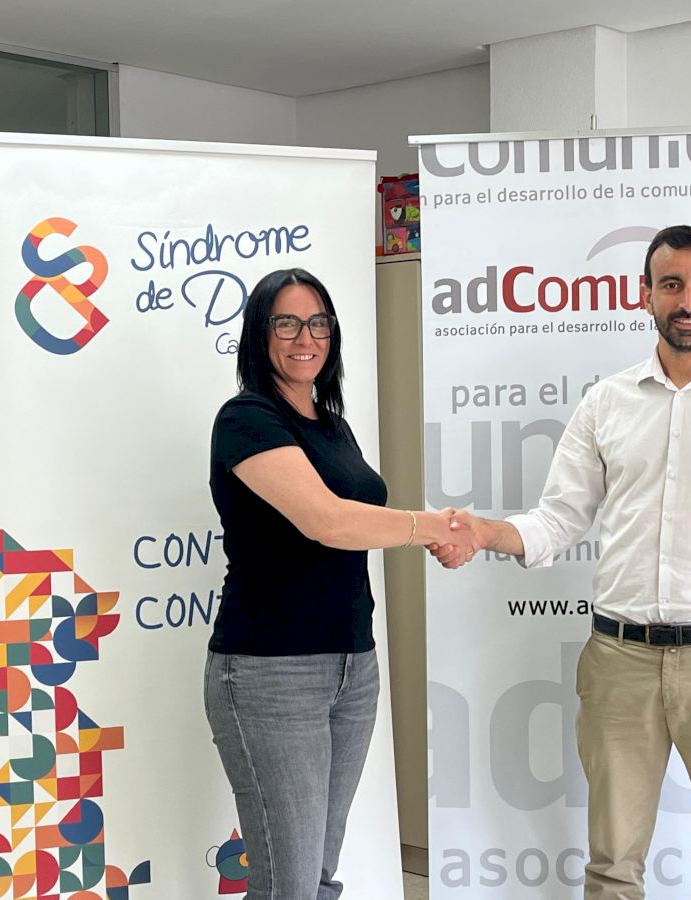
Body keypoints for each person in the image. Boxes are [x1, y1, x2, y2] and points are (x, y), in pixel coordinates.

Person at [434, 225, 691, 900]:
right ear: (644, 294)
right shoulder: (607, 403)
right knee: (612, 869)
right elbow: (558, 519)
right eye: (671, 284)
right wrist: (482, 532)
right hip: (618, 661)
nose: (689, 300)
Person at [204, 267, 476, 900]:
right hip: (272, 671)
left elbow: (355, 522)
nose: (307, 338)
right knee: (289, 883)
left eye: (319, 323)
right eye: (287, 323)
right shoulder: (246, 419)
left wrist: (430, 532)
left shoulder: (332, 424)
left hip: (352, 663)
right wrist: (431, 528)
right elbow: (326, 521)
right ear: (260, 334)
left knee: (318, 875)